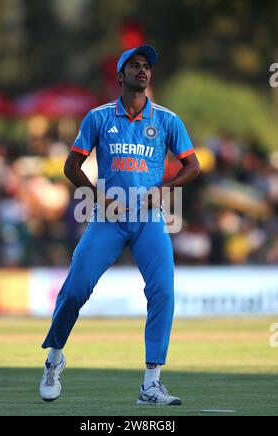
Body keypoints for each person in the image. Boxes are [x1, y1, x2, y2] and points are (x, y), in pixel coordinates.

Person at [39, 45, 200, 405]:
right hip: (108, 218)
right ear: (120, 75)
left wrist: (164, 188)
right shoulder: (98, 118)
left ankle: (151, 384)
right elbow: (71, 167)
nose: (142, 71)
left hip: (149, 220)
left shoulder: (167, 121)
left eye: (146, 67)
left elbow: (193, 166)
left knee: (163, 292)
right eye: (135, 66)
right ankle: (53, 359)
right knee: (76, 289)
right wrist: (98, 196)